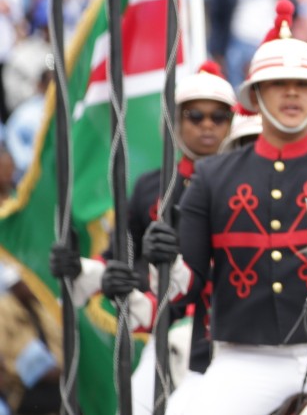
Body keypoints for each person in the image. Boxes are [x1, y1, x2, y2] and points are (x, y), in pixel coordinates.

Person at [153, 1, 307, 415]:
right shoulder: (212, 176)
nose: (292, 92)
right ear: (257, 94)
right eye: (278, 83)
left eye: (303, 83)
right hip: (246, 358)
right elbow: (187, 283)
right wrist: (164, 258)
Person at [51, 63, 236, 413]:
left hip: (228, 325)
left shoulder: (244, 183)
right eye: (195, 116)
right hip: (161, 323)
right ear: (176, 121)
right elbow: (120, 255)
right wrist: (80, 269)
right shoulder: (152, 187)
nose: (208, 125)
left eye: (219, 116)